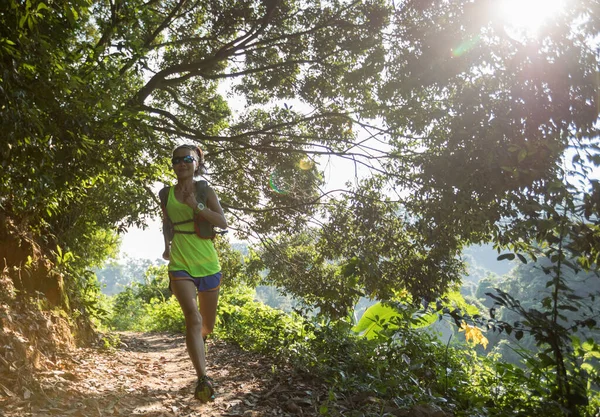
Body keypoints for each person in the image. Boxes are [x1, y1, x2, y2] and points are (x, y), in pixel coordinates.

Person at [160, 144, 227, 402]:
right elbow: (167, 222)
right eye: (176, 160)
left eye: (187, 159)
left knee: (206, 325)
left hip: (208, 263)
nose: (181, 163)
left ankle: (201, 346)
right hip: (180, 263)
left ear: (197, 162)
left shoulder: (204, 190)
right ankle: (203, 378)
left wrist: (196, 206)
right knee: (193, 319)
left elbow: (222, 222)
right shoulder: (165, 193)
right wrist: (166, 247)